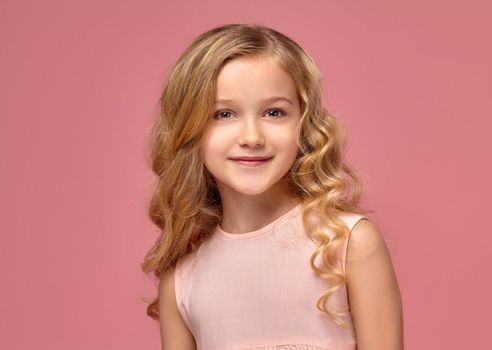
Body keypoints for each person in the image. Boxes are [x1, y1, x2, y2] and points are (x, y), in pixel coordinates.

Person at [141, 23, 404, 350]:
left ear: (304, 123)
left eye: (274, 112)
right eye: (224, 114)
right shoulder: (181, 278)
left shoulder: (349, 243)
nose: (251, 137)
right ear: (188, 128)